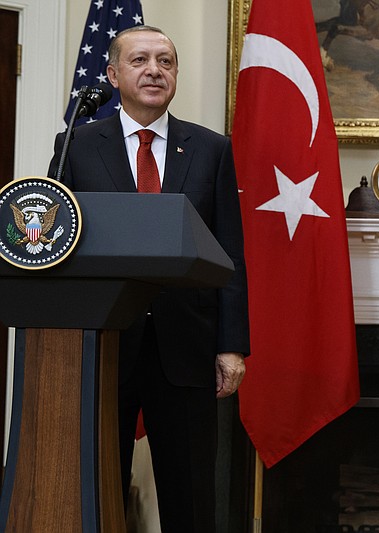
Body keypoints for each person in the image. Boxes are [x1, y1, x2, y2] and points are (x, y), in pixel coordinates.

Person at [47, 25, 249, 532]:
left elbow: (230, 255)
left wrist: (231, 345)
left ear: (176, 74)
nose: (154, 70)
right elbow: (52, 243)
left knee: (192, 496)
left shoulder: (210, 149)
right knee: (95, 491)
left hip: (185, 346)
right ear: (113, 74)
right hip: (102, 345)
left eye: (165, 60)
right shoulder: (77, 144)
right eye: (139, 60)